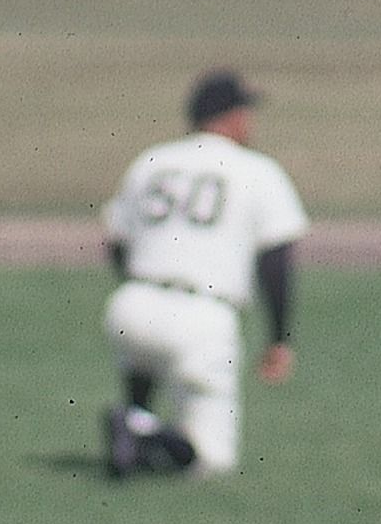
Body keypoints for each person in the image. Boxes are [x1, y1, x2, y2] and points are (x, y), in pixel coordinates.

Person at [99, 69, 309, 481]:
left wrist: (145, 288)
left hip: (132, 302)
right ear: (229, 117)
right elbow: (275, 261)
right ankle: (141, 435)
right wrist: (279, 339)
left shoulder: (153, 160)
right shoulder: (257, 170)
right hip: (201, 315)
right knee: (212, 462)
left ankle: (137, 421)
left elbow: (117, 242)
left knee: (145, 354)